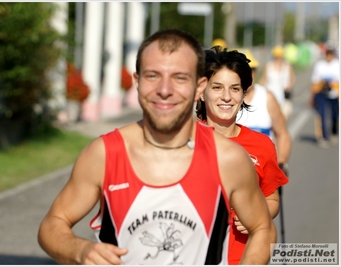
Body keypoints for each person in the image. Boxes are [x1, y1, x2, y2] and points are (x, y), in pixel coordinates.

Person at [37, 29, 276, 265]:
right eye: (153, 76)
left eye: (180, 77)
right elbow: (52, 224)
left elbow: (263, 228)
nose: (164, 90)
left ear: (199, 87)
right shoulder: (104, 154)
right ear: (137, 82)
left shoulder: (229, 158)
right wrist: (79, 250)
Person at [195, 46, 289, 265]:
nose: (227, 97)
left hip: (243, 257)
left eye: (235, 89)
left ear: (244, 93)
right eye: (217, 87)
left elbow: (271, 199)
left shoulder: (262, 145)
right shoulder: (182, 142)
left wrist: (257, 217)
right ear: (201, 91)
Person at [236, 49, 292, 166]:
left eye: (250, 70)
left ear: (255, 73)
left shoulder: (267, 97)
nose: (246, 75)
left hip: (264, 170)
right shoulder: (224, 100)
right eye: (241, 71)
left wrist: (281, 163)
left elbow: (282, 134)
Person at [310, 47, 339, 148]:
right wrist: (312, 97)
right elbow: (314, 81)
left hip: (335, 94)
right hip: (321, 93)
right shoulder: (320, 65)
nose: (329, 57)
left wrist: (333, 84)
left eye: (331, 54)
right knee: (321, 114)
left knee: (335, 115)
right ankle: (323, 137)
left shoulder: (337, 65)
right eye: (328, 54)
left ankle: (334, 132)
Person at [259, 45, 296, 120]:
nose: (279, 59)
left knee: (283, 118)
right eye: (277, 56)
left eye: (280, 56)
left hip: (284, 96)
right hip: (271, 95)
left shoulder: (287, 66)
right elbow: (263, 79)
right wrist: (259, 90)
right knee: (271, 118)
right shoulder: (268, 66)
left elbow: (293, 79)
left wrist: (289, 86)